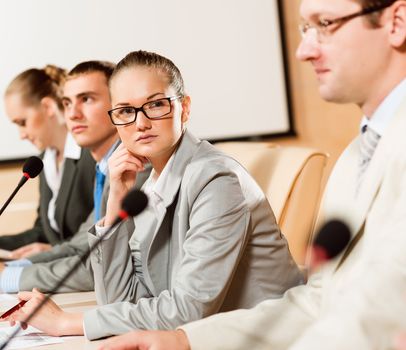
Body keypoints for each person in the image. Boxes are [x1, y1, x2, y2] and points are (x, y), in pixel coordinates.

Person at [93, 0, 406, 349]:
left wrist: (75, 322)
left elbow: (380, 315)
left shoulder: (214, 176)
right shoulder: (353, 158)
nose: (303, 51)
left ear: (397, 22)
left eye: (326, 23)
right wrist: (183, 341)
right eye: (306, 29)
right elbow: (317, 302)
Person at [9, 50, 303, 339]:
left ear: (184, 108)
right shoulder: (148, 182)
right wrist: (115, 203)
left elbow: (188, 308)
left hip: (265, 338)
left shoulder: (216, 179)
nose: (140, 123)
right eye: (125, 111)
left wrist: (68, 323)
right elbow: (118, 299)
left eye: (156, 105)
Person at [0, 60, 134, 293]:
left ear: (120, 108)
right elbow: (80, 242)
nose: (72, 113)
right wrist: (16, 266)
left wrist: (10, 275)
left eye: (87, 99)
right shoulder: (103, 165)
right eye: (67, 102)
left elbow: (98, 263)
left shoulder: (128, 167)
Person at [1, 65, 95, 259]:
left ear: (48, 107)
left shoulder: (92, 155)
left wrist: (55, 251)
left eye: (22, 122)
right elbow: (43, 231)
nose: (22, 135)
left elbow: (99, 231)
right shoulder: (44, 161)